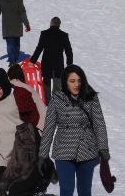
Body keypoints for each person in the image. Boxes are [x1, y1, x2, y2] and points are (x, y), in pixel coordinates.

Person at [38, 65, 110, 196]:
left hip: (86, 150)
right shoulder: (57, 99)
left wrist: (103, 148)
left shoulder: (90, 96)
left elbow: (99, 124)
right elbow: (49, 127)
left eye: (79, 80)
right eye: (72, 81)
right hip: (64, 151)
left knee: (84, 191)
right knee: (66, 190)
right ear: (65, 82)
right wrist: (43, 155)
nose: (76, 84)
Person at [0, 68, 39, 195]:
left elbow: (34, 115)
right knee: (0, 187)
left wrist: (27, 132)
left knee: (16, 190)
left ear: (5, 85)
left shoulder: (19, 94)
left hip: (19, 151)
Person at [30, 17, 73, 105]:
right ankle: (56, 102)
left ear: (51, 23)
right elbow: (69, 50)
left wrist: (32, 61)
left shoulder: (45, 34)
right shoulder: (64, 35)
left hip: (47, 63)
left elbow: (39, 48)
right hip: (58, 64)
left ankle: (47, 101)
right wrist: (69, 63)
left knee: (46, 82)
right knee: (57, 83)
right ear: (59, 25)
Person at [0, 0, 31, 66]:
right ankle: (15, 58)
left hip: (7, 27)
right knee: (16, 43)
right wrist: (27, 24)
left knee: (9, 44)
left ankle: (12, 60)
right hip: (17, 26)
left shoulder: (1, 0)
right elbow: (23, 13)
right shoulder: (19, 0)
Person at [7, 64, 47, 131]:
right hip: (43, 124)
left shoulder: (17, 89)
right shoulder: (26, 87)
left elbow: (28, 114)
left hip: (36, 128)